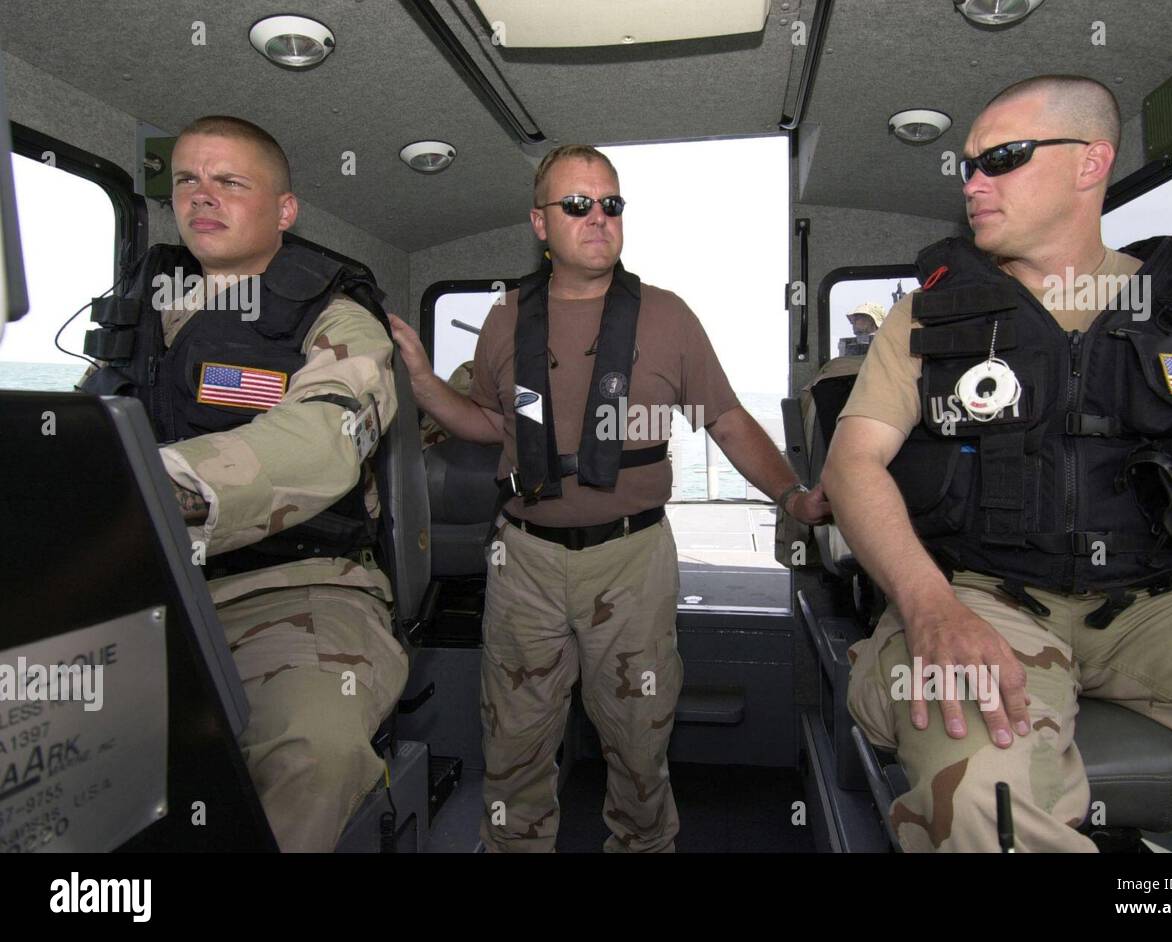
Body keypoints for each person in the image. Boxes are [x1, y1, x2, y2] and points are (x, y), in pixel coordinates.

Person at [822, 75, 1172, 852]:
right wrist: (930, 607)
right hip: (983, 598)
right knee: (986, 801)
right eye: (968, 163)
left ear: (1090, 163)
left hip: (1160, 605)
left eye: (1000, 158)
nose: (970, 182)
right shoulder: (930, 317)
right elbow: (853, 467)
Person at [390, 143, 829, 852]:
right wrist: (424, 386)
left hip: (632, 560)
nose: (598, 218)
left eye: (611, 204)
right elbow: (492, 425)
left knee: (638, 747)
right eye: (577, 205)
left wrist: (791, 493)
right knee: (513, 748)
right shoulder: (506, 318)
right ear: (540, 224)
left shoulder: (667, 316)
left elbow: (726, 418)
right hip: (524, 565)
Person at [79, 116, 408, 851]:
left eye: (230, 181)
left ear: (284, 210)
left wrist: (162, 491)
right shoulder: (139, 313)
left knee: (315, 746)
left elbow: (327, 437)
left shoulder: (338, 319)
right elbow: (78, 440)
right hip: (146, 591)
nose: (203, 196)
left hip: (296, 588)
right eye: (188, 180)